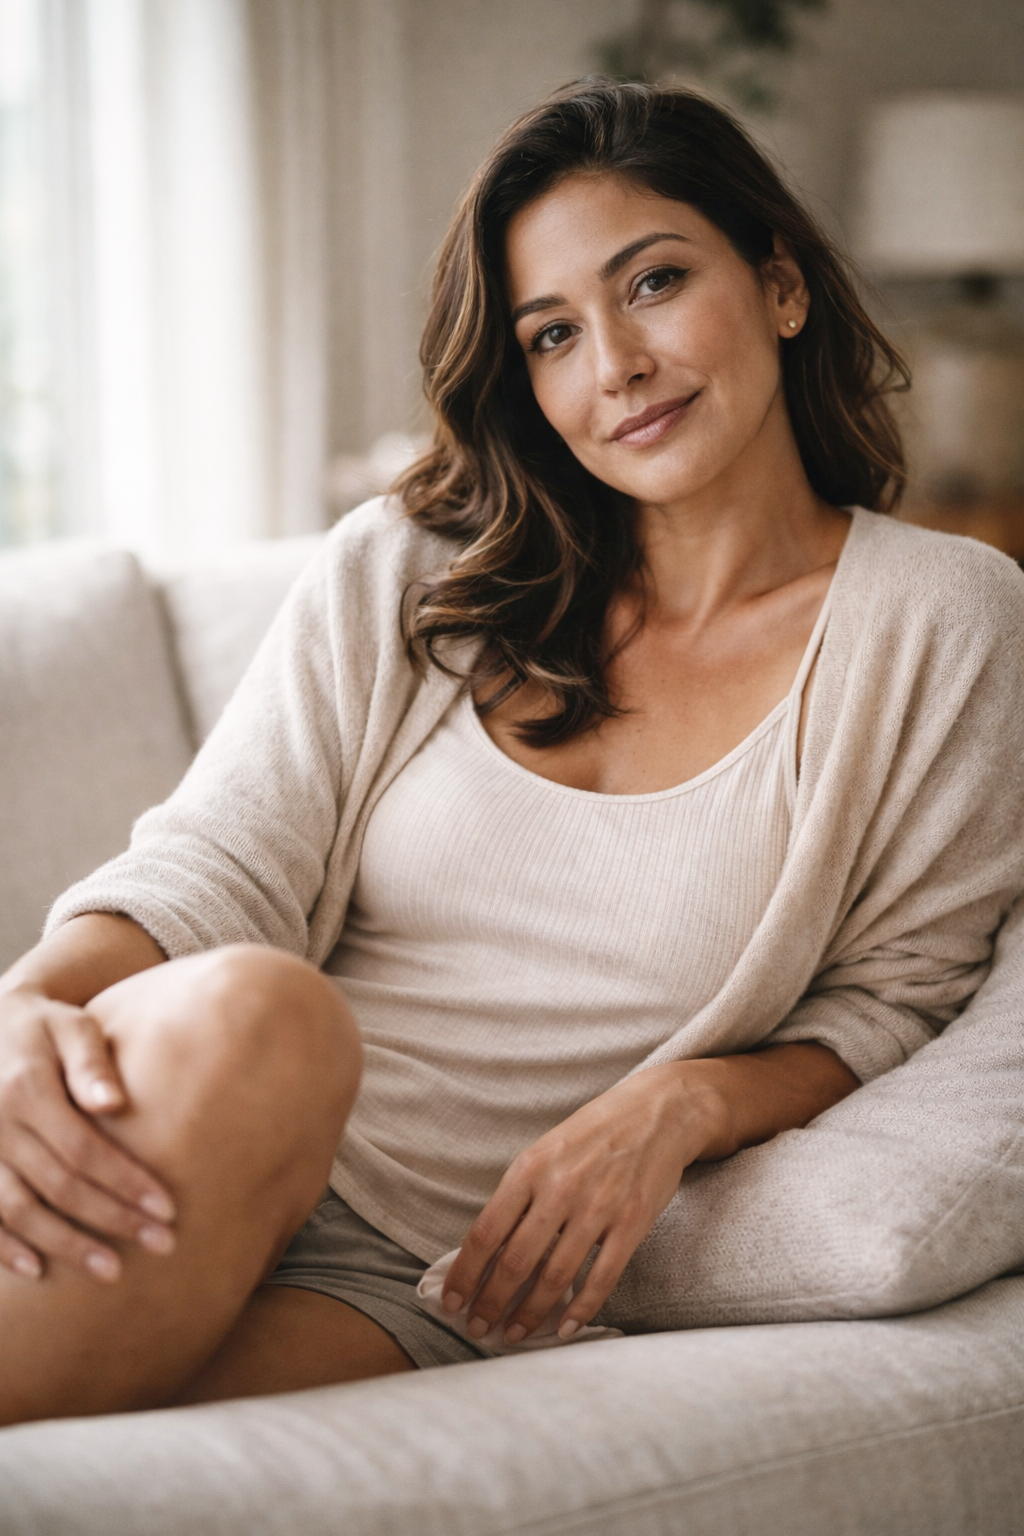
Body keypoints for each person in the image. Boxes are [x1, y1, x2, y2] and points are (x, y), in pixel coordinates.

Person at [1, 80, 1022, 1426]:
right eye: (552, 335)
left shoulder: (941, 618)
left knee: (88, 1453)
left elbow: (899, 994)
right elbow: (218, 860)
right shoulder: (419, 566)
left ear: (781, 285)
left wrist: (684, 1104)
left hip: (426, 1272)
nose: (616, 366)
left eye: (653, 282)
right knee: (268, 1014)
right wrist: (26, 1008)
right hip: (205, 1125)